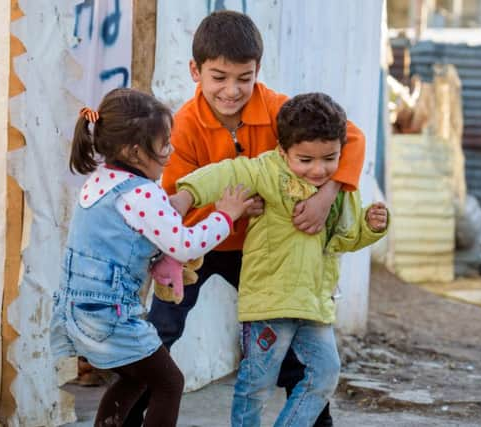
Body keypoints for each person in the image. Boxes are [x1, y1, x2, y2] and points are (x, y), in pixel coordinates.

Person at [128, 10, 367, 427]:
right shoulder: (183, 125)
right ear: (195, 71)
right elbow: (181, 194)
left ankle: (315, 422)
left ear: (258, 70)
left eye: (244, 77)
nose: (232, 90)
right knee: (160, 331)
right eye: (219, 77)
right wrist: (227, 211)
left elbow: (354, 138)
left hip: (264, 248)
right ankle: (125, 419)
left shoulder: (278, 109)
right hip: (200, 245)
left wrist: (328, 194)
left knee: (293, 337)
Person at [171, 92, 389, 426]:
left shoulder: (341, 191)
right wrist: (185, 196)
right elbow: (224, 174)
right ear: (282, 150)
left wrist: (370, 227)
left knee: (326, 374)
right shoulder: (266, 173)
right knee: (256, 385)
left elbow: (343, 239)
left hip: (314, 304)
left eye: (329, 158)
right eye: (305, 160)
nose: (318, 170)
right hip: (270, 304)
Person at [49, 88, 252, 427]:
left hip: (76, 310)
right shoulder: (140, 193)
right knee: (170, 383)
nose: (170, 152)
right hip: (110, 316)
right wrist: (225, 216)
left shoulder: (100, 180)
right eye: (163, 146)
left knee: (135, 377)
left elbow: (126, 237)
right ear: (134, 151)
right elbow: (184, 245)